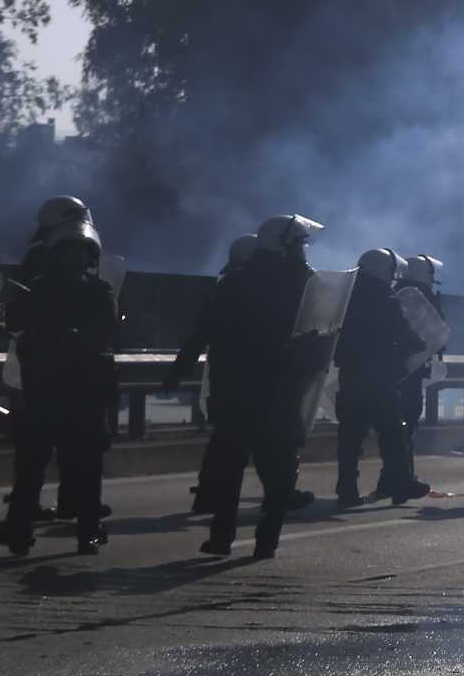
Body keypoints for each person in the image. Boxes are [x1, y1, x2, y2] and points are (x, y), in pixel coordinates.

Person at [191, 213, 326, 558]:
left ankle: (221, 536)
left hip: (236, 389)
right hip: (277, 389)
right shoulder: (303, 285)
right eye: (299, 243)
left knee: (229, 466)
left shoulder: (236, 281)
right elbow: (318, 334)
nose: (303, 250)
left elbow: (204, 329)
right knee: (278, 468)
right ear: (282, 244)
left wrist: (181, 369)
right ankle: (266, 539)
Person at [0, 211, 119, 557]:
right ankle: (85, 530)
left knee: (34, 466)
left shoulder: (41, 288)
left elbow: (16, 324)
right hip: (74, 392)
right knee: (82, 465)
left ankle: (22, 529)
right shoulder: (94, 290)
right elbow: (106, 332)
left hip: (50, 392)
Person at [178, 233, 267, 520]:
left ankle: (207, 495)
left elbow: (200, 332)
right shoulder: (251, 289)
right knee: (257, 439)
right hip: (248, 375)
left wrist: (179, 369)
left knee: (225, 438)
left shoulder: (226, 285)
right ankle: (276, 493)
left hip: (225, 375)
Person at [334, 249, 424, 506]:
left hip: (350, 376)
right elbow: (403, 332)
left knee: (350, 437)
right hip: (380, 379)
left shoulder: (345, 296)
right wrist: (419, 344)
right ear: (384, 270)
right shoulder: (385, 298)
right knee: (393, 435)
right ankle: (401, 484)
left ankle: (346, 490)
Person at [396, 254, 446, 446]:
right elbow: (437, 333)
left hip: (390, 368)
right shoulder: (424, 298)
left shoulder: (393, 293)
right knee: (409, 416)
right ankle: (402, 470)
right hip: (413, 366)